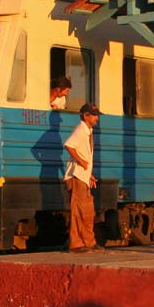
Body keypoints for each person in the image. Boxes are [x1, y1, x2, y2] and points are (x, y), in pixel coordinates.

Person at [63, 103, 103, 253]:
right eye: (94, 115)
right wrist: (80, 161)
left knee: (86, 211)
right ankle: (77, 244)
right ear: (85, 115)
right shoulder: (81, 130)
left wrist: (89, 174)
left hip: (82, 176)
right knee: (80, 211)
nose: (96, 118)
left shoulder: (87, 130)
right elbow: (68, 145)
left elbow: (83, 153)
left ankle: (88, 242)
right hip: (76, 176)